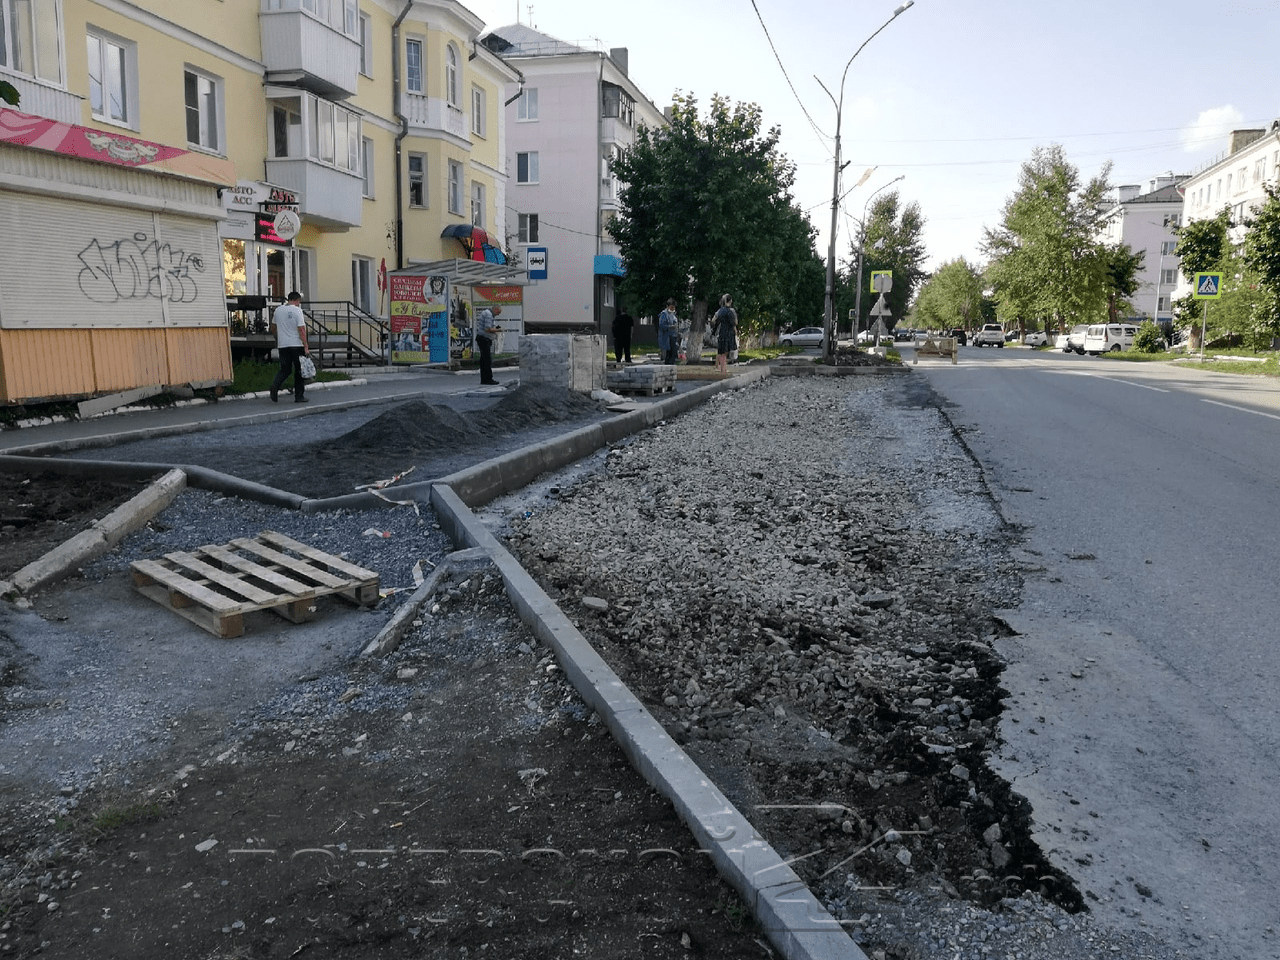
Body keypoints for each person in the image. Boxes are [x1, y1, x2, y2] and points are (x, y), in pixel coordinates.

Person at [269, 290, 310, 403]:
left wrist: (278, 338)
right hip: (296, 345)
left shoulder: (278, 310)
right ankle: (299, 396)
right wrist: (306, 346)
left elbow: (273, 327)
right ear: (297, 300)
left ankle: (275, 385)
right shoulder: (298, 311)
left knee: (285, 369)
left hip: (283, 345)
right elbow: (301, 329)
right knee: (299, 371)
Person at [475, 303, 501, 385]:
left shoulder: (487, 313)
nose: (498, 314)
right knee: (487, 360)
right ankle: (488, 379)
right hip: (484, 339)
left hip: (482, 338)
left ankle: (484, 379)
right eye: (498, 312)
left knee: (484, 360)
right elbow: (487, 329)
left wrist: (495, 328)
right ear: (495, 309)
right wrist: (498, 330)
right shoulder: (489, 315)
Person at [712, 293, 738, 374]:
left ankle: (718, 367)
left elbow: (713, 320)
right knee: (725, 352)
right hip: (728, 332)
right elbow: (733, 323)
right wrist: (735, 331)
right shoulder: (730, 311)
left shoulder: (720, 310)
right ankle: (723, 369)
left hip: (721, 331)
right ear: (730, 301)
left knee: (721, 350)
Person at [658, 298, 680, 365]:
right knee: (669, 353)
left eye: (674, 307)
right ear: (667, 306)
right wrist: (671, 326)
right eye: (671, 307)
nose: (673, 309)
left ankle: (670, 364)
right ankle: (668, 365)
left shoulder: (673, 314)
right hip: (667, 336)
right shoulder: (664, 314)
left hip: (673, 335)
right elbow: (662, 325)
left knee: (673, 352)